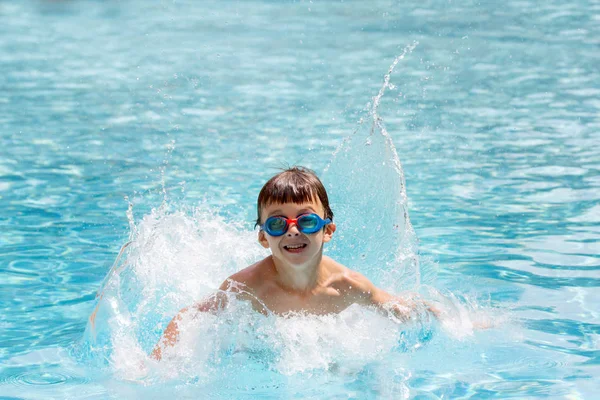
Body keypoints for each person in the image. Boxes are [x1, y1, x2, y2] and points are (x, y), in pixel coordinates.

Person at [151, 166, 437, 360]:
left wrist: (448, 320)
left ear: (327, 231)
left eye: (307, 221)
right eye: (277, 223)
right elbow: (190, 317)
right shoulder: (246, 286)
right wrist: (156, 362)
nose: (293, 230)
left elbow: (398, 309)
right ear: (263, 237)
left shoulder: (348, 286)